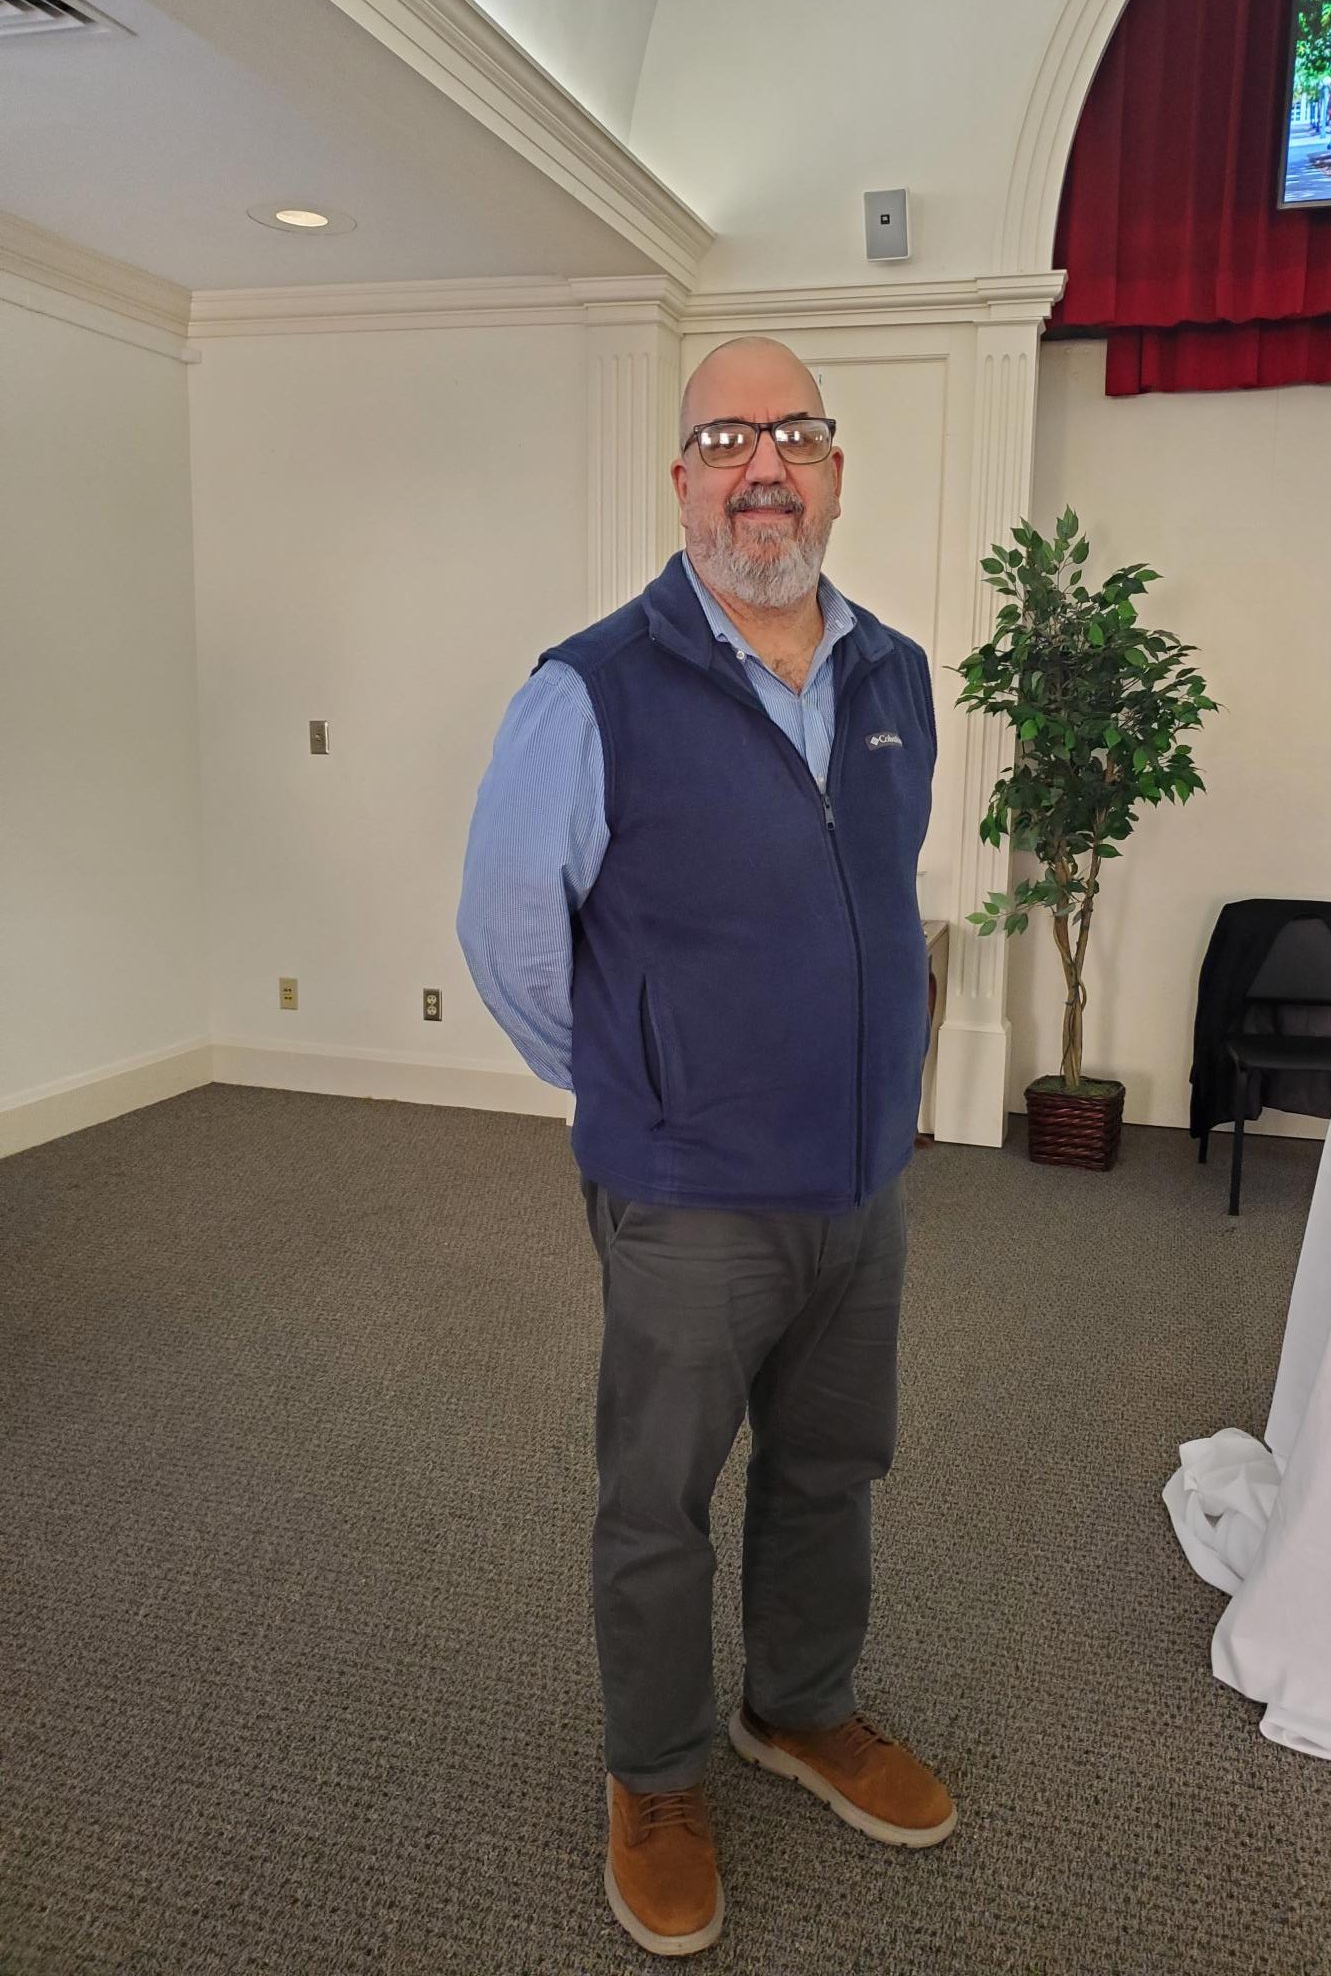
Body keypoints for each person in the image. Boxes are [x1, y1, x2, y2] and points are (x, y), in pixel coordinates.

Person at [456, 335, 954, 1958]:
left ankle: (798, 1706)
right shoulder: (588, 686)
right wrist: (638, 1089)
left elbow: (876, 894)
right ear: (680, 478)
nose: (763, 465)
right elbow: (511, 934)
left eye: (793, 435)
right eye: (725, 436)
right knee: (657, 1498)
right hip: (685, 1195)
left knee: (832, 1466)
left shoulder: (893, 673)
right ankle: (655, 1772)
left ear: (831, 467)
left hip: (858, 1179)